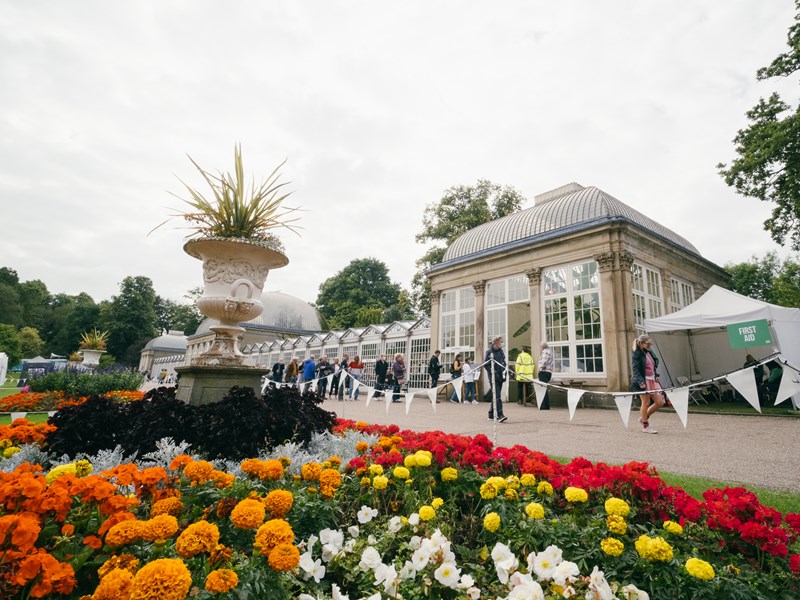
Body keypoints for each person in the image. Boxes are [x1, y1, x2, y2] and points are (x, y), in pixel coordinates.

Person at [631, 335, 664, 434]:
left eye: (650, 344)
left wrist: (656, 374)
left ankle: (643, 418)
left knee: (660, 402)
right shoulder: (636, 354)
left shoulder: (649, 352)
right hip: (643, 381)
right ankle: (645, 426)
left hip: (652, 380)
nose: (650, 345)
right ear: (641, 343)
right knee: (646, 403)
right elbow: (635, 370)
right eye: (648, 344)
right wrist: (641, 382)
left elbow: (652, 366)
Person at [484, 336, 508, 422]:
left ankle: (491, 414)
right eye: (500, 342)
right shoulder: (489, 352)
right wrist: (492, 372)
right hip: (493, 377)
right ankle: (500, 414)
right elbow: (486, 364)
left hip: (501, 376)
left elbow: (503, 362)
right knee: (497, 396)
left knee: (495, 396)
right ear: (495, 343)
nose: (501, 344)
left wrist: (505, 371)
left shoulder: (501, 351)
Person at [537, 341, 553, 410]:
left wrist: (539, 369)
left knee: (542, 389)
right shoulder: (549, 351)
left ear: (542, 347)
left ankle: (544, 405)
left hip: (544, 372)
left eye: (540, 346)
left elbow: (544, 361)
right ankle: (546, 405)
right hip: (548, 372)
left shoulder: (545, 352)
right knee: (544, 388)